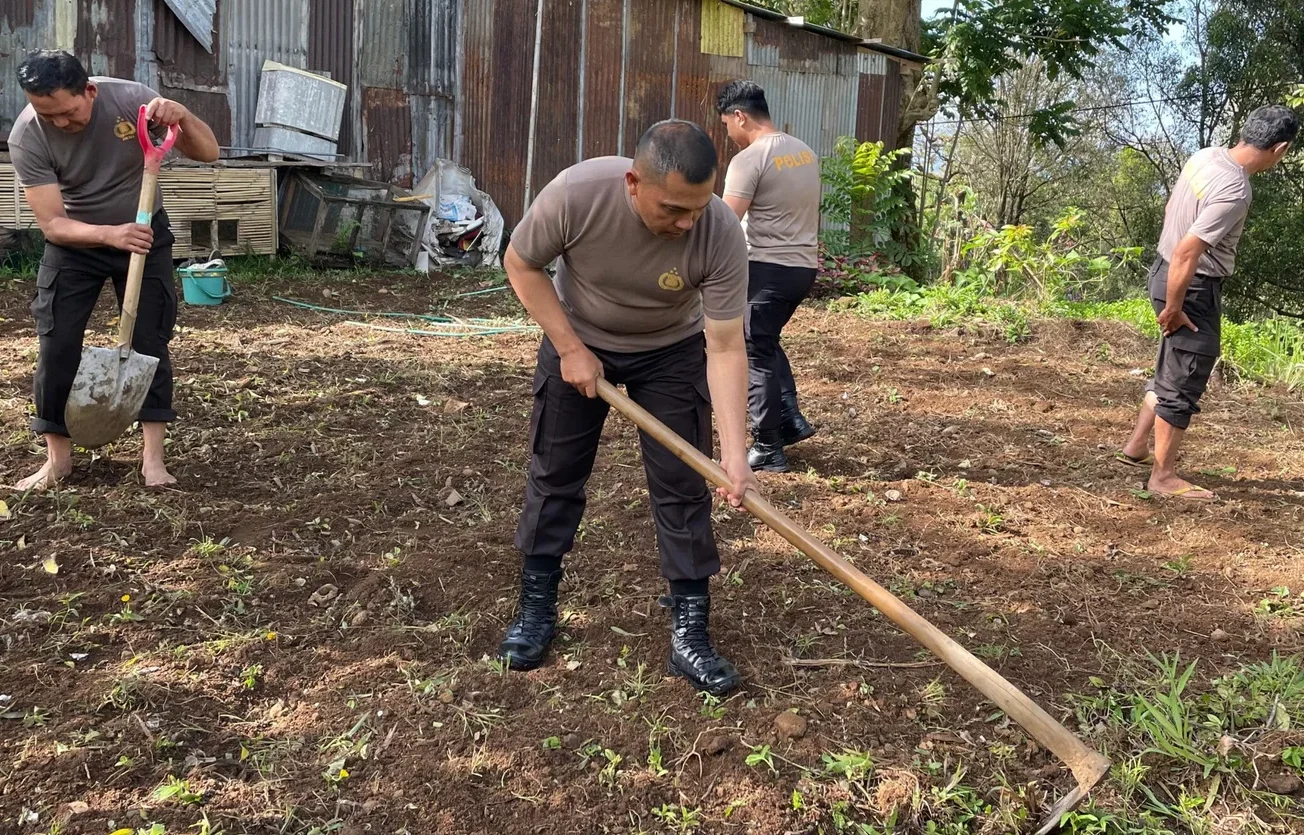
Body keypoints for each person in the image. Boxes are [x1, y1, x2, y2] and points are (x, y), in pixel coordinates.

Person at [498, 120, 758, 695]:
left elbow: (724, 345)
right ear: (633, 183)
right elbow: (521, 263)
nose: (687, 223)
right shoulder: (576, 194)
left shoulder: (717, 231)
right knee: (555, 474)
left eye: (698, 206)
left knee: (683, 486)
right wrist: (569, 348)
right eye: (673, 209)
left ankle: (690, 633)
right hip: (579, 340)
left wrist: (736, 457)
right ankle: (536, 609)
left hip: (672, 352)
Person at [9, 50, 219, 491]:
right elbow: (53, 223)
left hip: (145, 232)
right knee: (57, 341)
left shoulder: (133, 102)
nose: (60, 123)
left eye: (67, 112)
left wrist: (184, 116)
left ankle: (152, 461)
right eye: (49, 116)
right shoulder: (29, 134)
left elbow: (209, 152)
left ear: (89, 91)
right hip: (77, 241)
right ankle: (58, 461)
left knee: (149, 342)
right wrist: (109, 235)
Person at [1118, 104, 1298, 500]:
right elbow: (1189, 251)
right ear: (1280, 148)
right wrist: (1176, 306)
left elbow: (1172, 211)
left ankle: (1136, 446)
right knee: (1186, 373)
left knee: (1172, 363)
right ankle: (1163, 477)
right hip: (1190, 285)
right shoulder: (1236, 189)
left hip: (1163, 271)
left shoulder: (1205, 156)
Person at [717, 80, 822, 473]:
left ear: (739, 116)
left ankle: (767, 445)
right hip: (802, 269)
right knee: (765, 339)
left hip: (765, 267)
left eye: (726, 122)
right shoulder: (805, 152)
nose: (727, 132)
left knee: (751, 349)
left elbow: (726, 224)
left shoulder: (750, 159)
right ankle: (790, 419)